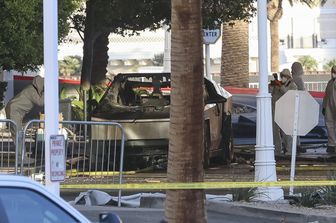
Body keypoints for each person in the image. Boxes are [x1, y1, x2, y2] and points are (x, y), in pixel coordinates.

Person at [322, 65, 336, 153]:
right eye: (332, 71)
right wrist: (324, 106)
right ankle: (332, 144)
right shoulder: (330, 82)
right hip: (329, 107)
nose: (333, 73)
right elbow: (326, 95)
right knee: (329, 124)